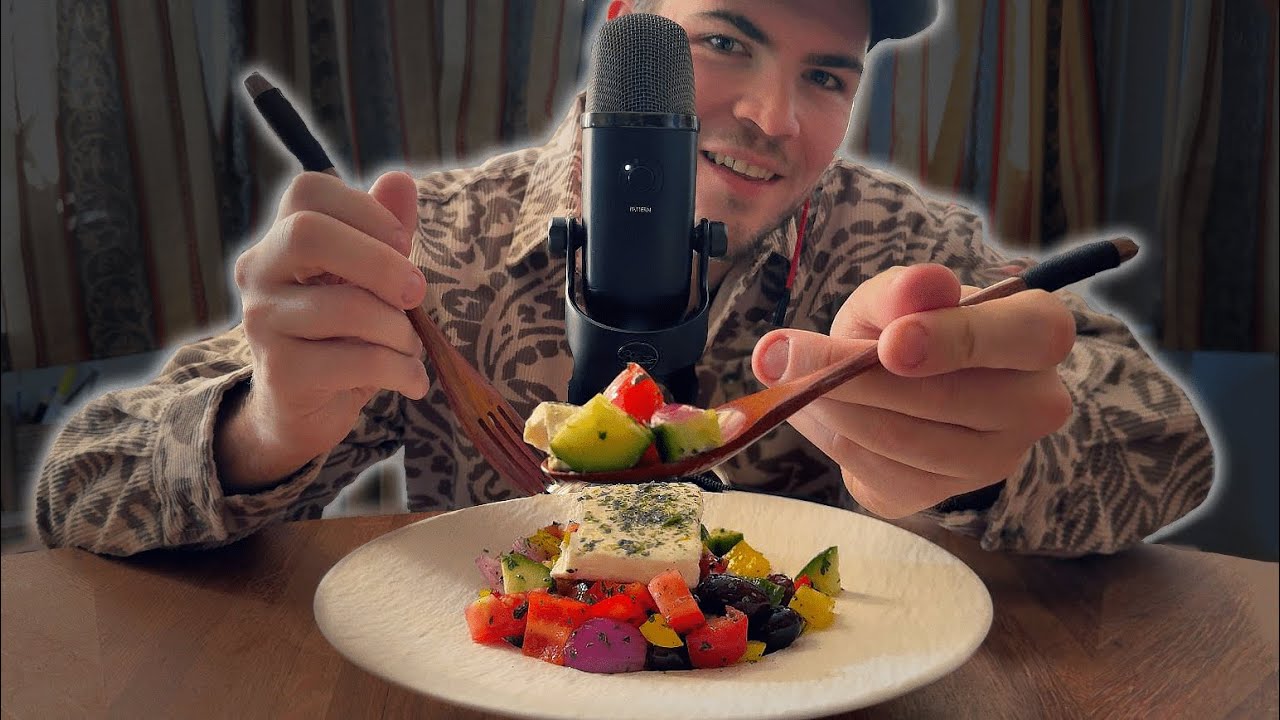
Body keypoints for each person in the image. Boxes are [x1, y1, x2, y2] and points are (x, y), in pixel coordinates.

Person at [34, 0, 1212, 558]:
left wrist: (990, 455)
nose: (768, 117)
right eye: (724, 40)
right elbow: (77, 494)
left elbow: (1170, 448)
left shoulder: (899, 249)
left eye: (825, 77)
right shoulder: (434, 241)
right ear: (622, 29)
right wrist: (266, 425)